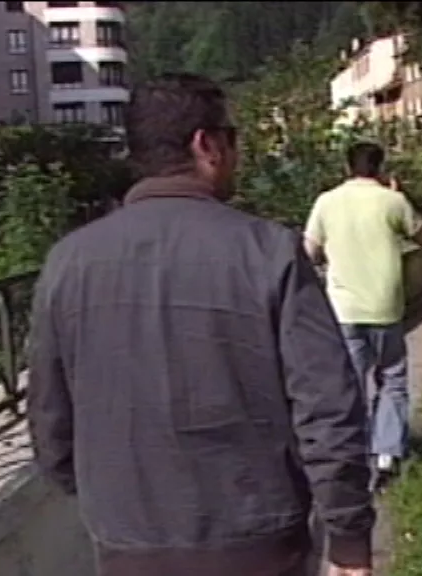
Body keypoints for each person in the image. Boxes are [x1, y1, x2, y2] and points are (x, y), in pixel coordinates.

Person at [26, 73, 374, 576]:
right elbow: (328, 407)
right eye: (232, 138)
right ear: (206, 145)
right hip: (259, 543)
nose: (237, 154)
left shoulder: (66, 263)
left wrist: (111, 502)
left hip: (127, 545)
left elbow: (50, 421)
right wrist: (348, 536)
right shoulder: (268, 251)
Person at [303, 142, 422, 491]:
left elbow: (308, 252)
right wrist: (402, 196)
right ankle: (387, 454)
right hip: (386, 306)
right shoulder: (392, 201)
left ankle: (351, 454)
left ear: (347, 167)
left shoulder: (326, 202)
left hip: (344, 309)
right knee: (392, 379)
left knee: (350, 384)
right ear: (380, 167)